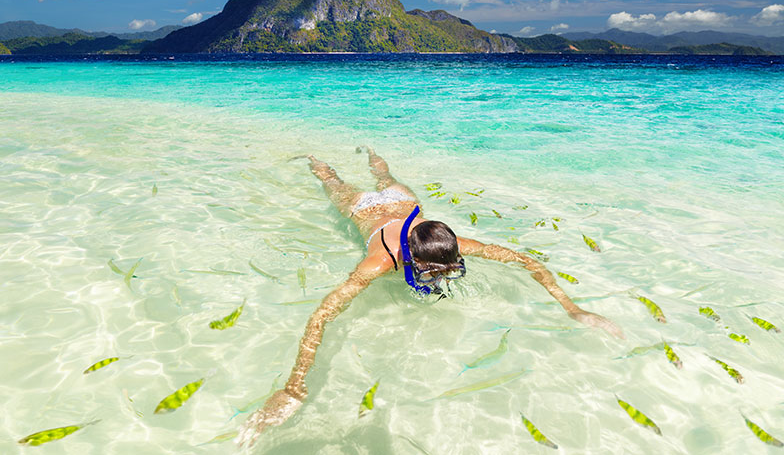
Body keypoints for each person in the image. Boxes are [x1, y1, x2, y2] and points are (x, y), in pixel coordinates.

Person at [237, 147, 623, 445]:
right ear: (411, 258)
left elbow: (526, 262)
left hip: (405, 203)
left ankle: (370, 151)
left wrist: (573, 309)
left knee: (385, 175)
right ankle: (313, 157)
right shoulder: (379, 261)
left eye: (450, 272)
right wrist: (294, 388)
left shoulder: (455, 243)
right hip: (364, 210)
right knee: (332, 182)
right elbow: (323, 314)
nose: (441, 281)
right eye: (431, 273)